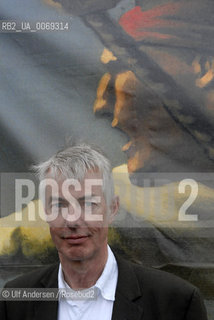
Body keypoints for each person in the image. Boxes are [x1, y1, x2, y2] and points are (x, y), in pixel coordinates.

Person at [0, 143, 208, 319]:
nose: (72, 219)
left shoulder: (176, 303)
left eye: (88, 204)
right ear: (45, 212)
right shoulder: (16, 301)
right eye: (59, 205)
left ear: (113, 209)